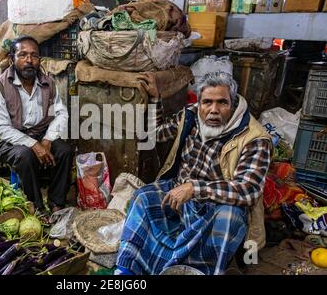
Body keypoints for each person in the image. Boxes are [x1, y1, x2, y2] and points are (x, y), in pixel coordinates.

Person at [115, 72, 272, 275]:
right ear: (199, 102)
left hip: (217, 204)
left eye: (222, 103)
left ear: (232, 103)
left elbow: (248, 190)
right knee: (143, 197)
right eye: (207, 102)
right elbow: (157, 134)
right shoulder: (191, 115)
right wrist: (155, 98)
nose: (213, 110)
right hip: (181, 191)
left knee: (229, 218)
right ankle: (126, 270)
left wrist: (194, 188)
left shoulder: (254, 137)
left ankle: (194, 271)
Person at [0, 36, 72, 222]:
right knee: (25, 155)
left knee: (65, 151)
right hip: (11, 140)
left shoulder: (48, 84)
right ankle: (36, 205)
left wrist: (48, 139)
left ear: (39, 60)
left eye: (34, 56)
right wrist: (34, 144)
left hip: (42, 135)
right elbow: (0, 127)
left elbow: (61, 114)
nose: (29, 60)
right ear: (12, 59)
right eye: (22, 55)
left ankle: (57, 201)